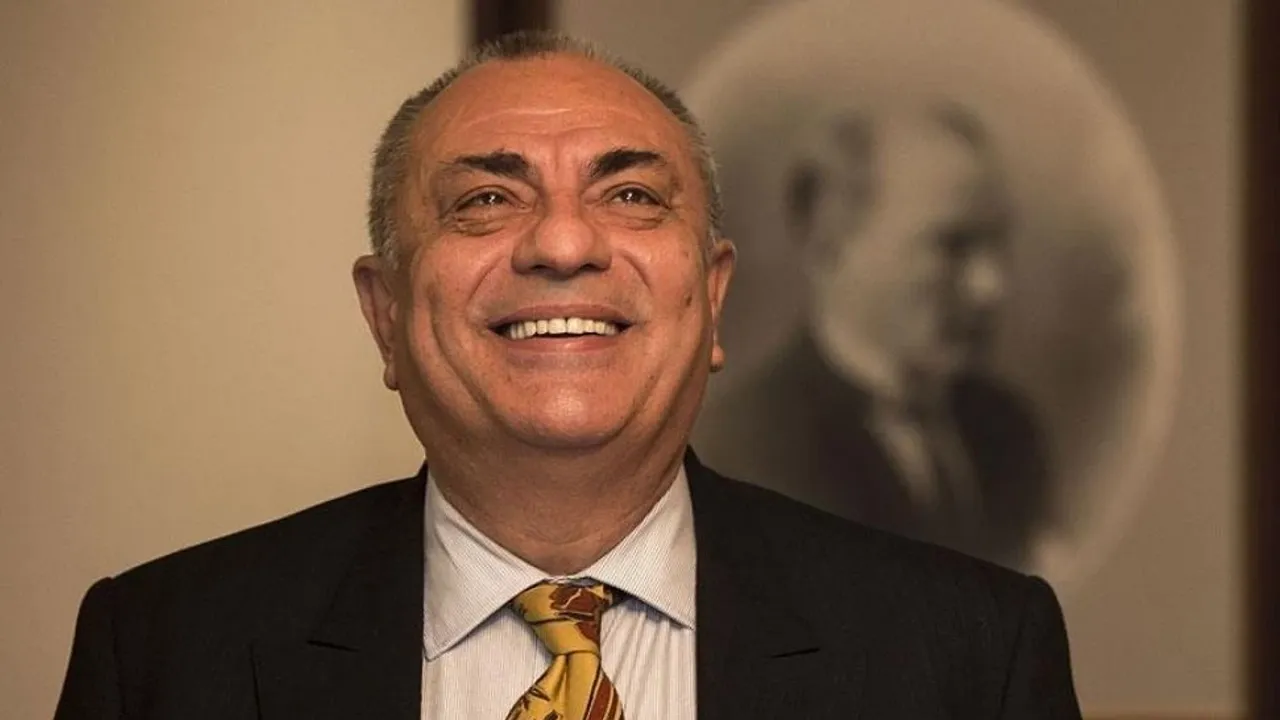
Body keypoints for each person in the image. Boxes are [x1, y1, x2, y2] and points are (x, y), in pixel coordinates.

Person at [55, 32, 1080, 719]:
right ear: (385, 315)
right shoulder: (160, 656)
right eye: (484, 201)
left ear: (712, 296)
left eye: (630, 195)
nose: (560, 243)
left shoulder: (967, 658)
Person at [699, 104, 1052, 569]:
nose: (990, 287)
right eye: (952, 245)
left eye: (996, 243)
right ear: (830, 244)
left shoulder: (1009, 431)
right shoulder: (743, 448)